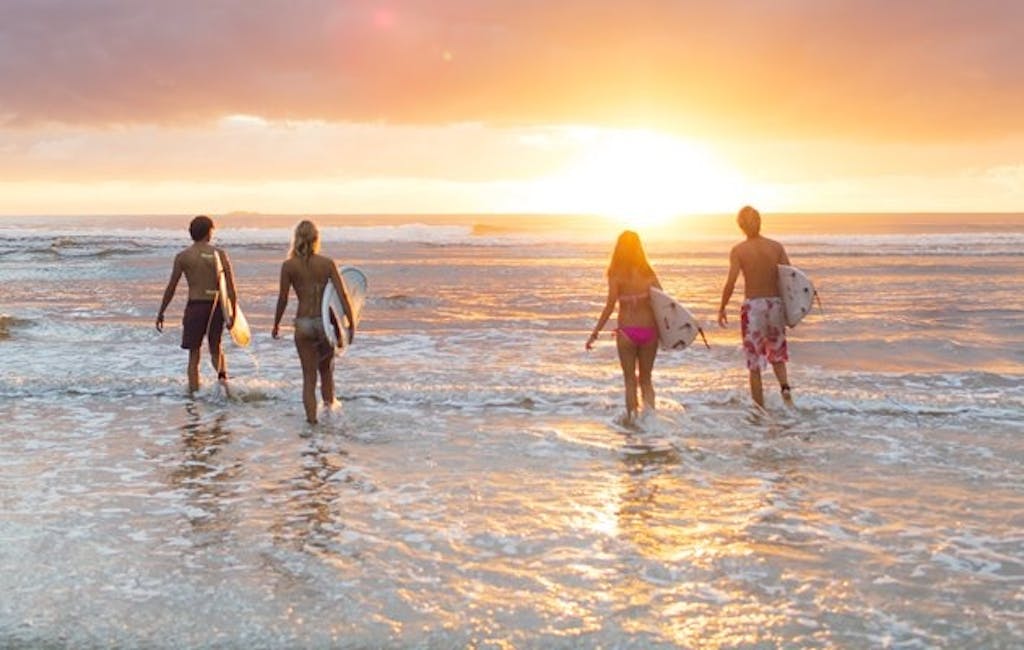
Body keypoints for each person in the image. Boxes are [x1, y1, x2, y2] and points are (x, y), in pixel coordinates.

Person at [272, 220, 352, 425]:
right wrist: (350, 322)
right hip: (324, 324)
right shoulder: (327, 263)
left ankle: (312, 424)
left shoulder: (289, 265)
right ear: (317, 239)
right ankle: (329, 417)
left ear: (296, 238)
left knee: (309, 378)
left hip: (303, 324)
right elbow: (342, 294)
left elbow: (283, 298)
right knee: (326, 372)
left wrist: (276, 324)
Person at [717, 205, 793, 408]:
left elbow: (731, 282)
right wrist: (793, 309)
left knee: (754, 363)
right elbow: (790, 278)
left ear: (740, 226)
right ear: (760, 222)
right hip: (775, 305)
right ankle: (785, 391)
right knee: (778, 355)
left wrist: (722, 306)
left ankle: (759, 410)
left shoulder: (739, 250)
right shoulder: (776, 247)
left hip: (753, 309)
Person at [586, 230, 662, 424]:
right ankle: (651, 423)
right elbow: (663, 302)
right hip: (649, 332)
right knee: (646, 380)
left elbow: (610, 305)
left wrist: (595, 333)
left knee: (630, 380)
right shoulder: (648, 273)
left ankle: (633, 422)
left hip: (627, 332)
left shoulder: (616, 274)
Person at [156, 215, 238, 394]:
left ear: (191, 233)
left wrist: (161, 311)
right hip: (216, 307)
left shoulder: (183, 256)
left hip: (195, 306)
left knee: (194, 353)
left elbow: (172, 287)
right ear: (209, 232)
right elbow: (230, 289)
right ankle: (224, 389)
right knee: (216, 348)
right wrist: (233, 315)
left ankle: (194, 394)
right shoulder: (220, 254)